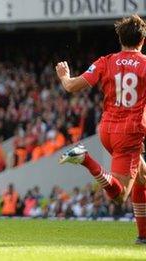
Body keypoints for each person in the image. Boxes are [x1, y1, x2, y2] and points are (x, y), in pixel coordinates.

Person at [56, 14, 146, 244]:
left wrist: (64, 76)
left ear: (120, 38)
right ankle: (86, 159)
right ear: (142, 40)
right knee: (119, 196)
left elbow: (72, 86)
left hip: (106, 130)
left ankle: (143, 236)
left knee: (142, 178)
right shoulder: (145, 64)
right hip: (129, 133)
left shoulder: (105, 61)